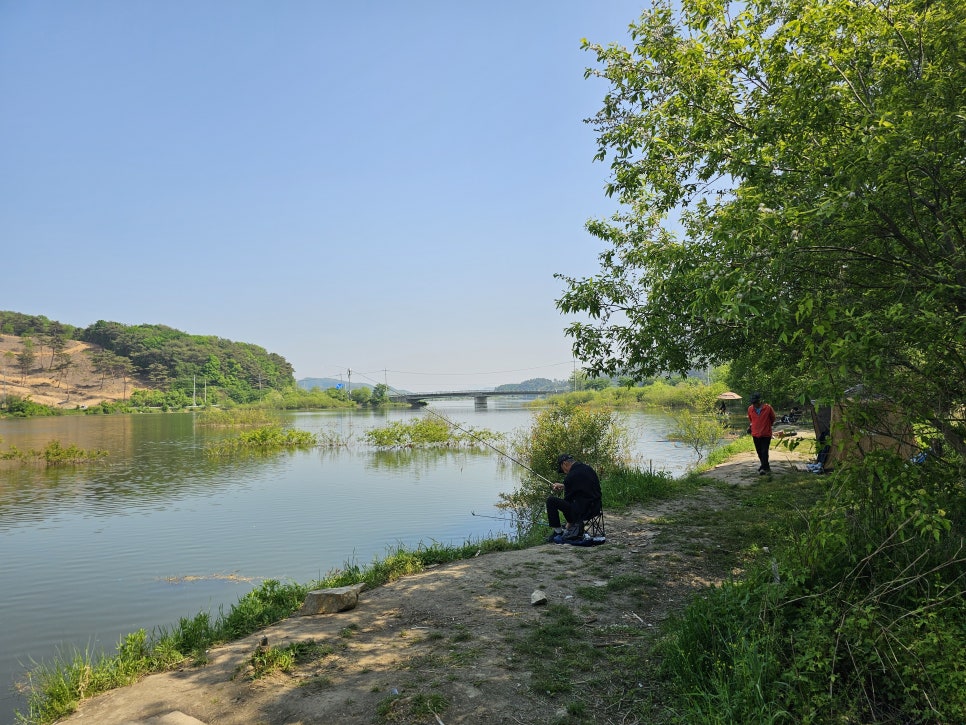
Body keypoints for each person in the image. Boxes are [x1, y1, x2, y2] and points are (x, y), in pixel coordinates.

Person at [546, 454, 602, 542]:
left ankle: (558, 532)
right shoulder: (588, 469)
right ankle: (564, 530)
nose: (564, 472)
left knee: (551, 501)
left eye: (563, 470)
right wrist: (565, 486)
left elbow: (568, 502)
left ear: (565, 464)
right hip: (596, 509)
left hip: (583, 513)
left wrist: (568, 527)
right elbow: (584, 486)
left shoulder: (570, 477)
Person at [747, 392, 776, 475]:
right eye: (753, 403)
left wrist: (766, 425)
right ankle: (765, 466)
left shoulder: (768, 408)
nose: (754, 404)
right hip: (755, 433)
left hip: (766, 433)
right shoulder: (750, 409)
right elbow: (751, 420)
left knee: (764, 451)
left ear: (759, 401)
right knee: (759, 451)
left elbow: (772, 418)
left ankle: (763, 467)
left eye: (755, 402)